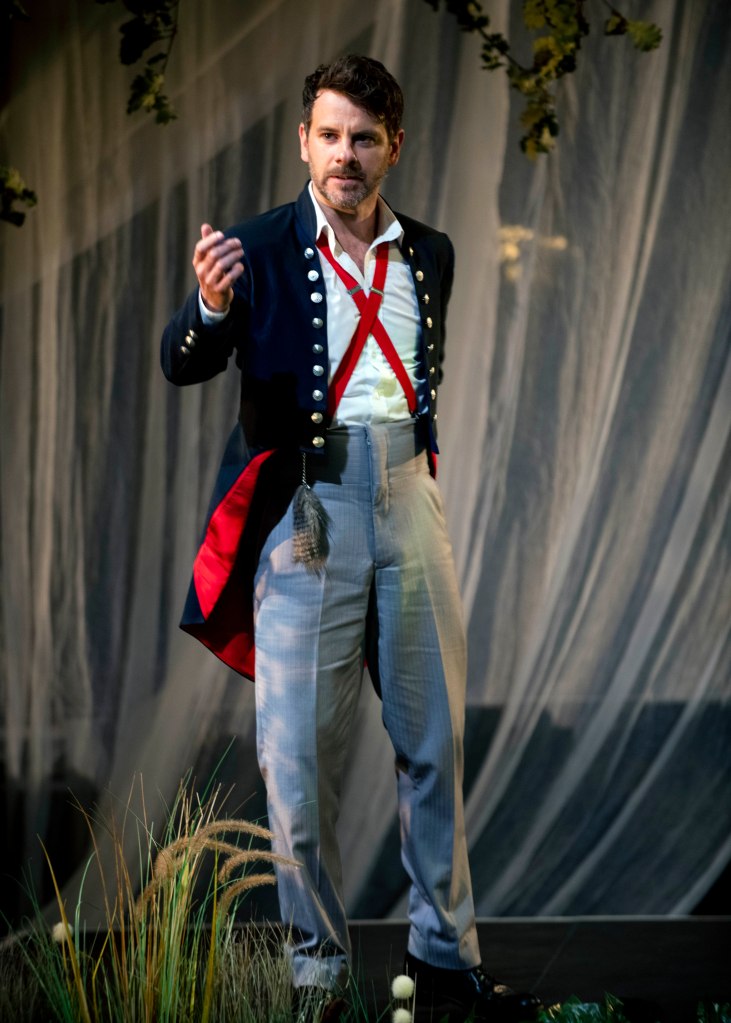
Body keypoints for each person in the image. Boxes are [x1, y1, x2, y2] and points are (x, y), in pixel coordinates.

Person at [161, 55, 540, 1023]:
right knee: (294, 762)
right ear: (303, 142)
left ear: (392, 148)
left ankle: (444, 967)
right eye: (328, 135)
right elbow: (180, 361)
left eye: (363, 138)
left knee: (434, 742)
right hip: (309, 513)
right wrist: (210, 308)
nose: (344, 154)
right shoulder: (255, 247)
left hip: (409, 498)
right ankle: (317, 982)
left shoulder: (432, 253)